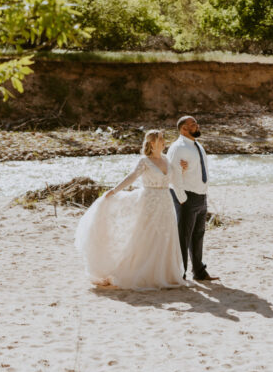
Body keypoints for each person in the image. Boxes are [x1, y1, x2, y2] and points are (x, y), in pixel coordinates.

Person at [74, 129, 188, 290]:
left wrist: (183, 171)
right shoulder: (144, 161)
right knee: (147, 236)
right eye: (161, 139)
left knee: (166, 236)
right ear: (153, 142)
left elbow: (175, 180)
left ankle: (165, 274)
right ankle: (142, 274)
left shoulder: (166, 159)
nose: (164, 142)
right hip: (149, 202)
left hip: (166, 202)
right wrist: (114, 190)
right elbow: (132, 177)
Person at [167, 115, 218, 282]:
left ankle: (199, 272)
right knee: (183, 237)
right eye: (192, 124)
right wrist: (182, 199)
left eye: (196, 122)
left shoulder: (197, 145)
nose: (197, 125)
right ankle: (180, 274)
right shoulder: (178, 147)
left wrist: (204, 194)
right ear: (183, 129)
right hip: (186, 197)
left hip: (201, 196)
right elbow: (174, 175)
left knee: (198, 234)